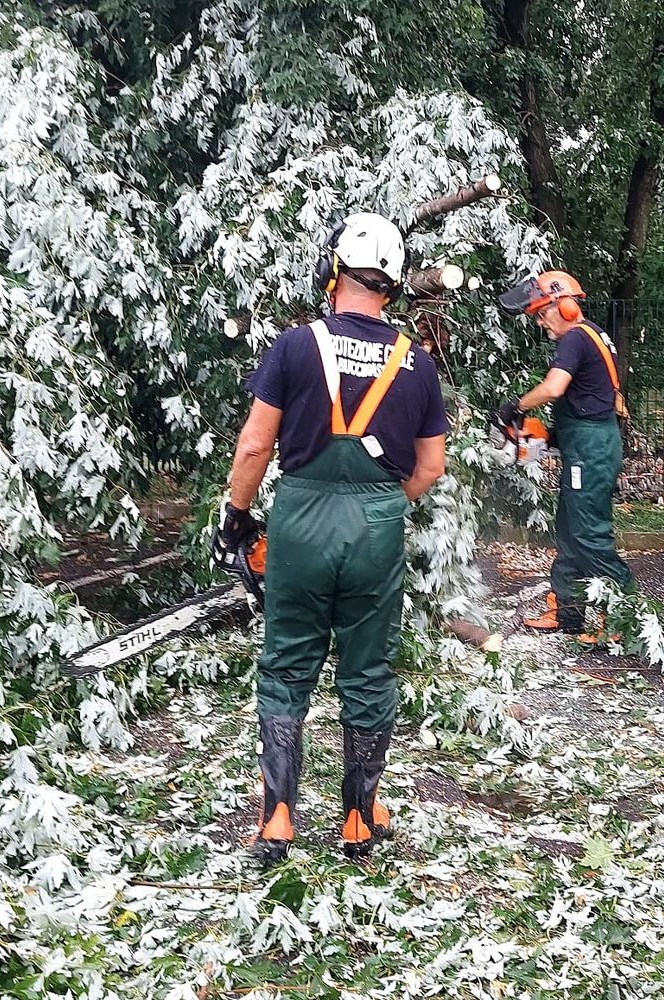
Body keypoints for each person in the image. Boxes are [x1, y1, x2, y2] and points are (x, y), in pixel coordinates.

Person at [215, 212, 449, 862]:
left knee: (288, 665)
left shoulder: (295, 346)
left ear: (335, 268)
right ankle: (358, 818)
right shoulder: (416, 361)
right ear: (393, 284)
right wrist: (380, 506)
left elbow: (255, 445)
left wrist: (237, 516)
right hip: (376, 526)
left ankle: (277, 818)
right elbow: (431, 466)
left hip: (301, 519)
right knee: (367, 670)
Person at [496, 271, 633, 638]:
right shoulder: (592, 335)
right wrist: (548, 436)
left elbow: (554, 388)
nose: (541, 323)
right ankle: (567, 612)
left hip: (591, 449)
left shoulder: (575, 337)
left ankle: (622, 618)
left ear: (566, 305)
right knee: (571, 531)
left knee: (589, 534)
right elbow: (591, 399)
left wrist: (515, 407)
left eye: (543, 313)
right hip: (588, 441)